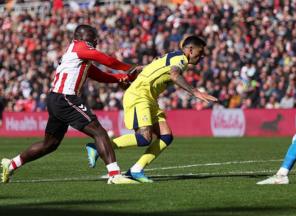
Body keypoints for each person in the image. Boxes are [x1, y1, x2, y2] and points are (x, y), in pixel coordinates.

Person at [1, 24, 140, 184]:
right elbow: (105, 60)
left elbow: (99, 75)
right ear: (84, 38)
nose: (95, 43)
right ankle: (114, 175)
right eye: (93, 39)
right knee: (99, 131)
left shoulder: (77, 55)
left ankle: (11, 164)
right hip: (65, 98)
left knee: (50, 144)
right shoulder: (80, 46)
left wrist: (123, 77)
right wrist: (130, 68)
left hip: (56, 99)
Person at [86, 35, 218, 183]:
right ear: (191, 50)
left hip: (149, 98)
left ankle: (136, 170)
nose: (201, 57)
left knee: (166, 136)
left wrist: (142, 68)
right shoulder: (181, 59)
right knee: (144, 138)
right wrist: (195, 92)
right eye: (200, 53)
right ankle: (98, 147)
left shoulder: (172, 56)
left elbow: (154, 66)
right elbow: (174, 75)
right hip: (139, 95)